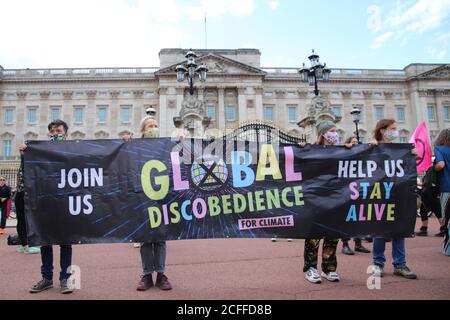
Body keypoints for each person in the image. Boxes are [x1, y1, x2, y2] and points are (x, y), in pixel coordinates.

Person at [123, 116, 180, 291]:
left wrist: (181, 144)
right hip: (142, 196)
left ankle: (161, 274)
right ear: (143, 130)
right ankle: (147, 274)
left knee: (161, 237)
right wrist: (125, 143)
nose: (153, 128)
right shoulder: (135, 145)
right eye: (150, 126)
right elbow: (123, 163)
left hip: (162, 196)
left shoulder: (165, 146)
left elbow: (179, 161)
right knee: (145, 237)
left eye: (155, 125)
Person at [21, 120, 74, 294]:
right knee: (45, 241)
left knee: (65, 243)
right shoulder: (41, 152)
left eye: (58, 130)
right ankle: (47, 278)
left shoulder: (75, 150)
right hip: (46, 202)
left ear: (66, 134)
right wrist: (24, 157)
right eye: (51, 131)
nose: (54, 133)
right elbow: (30, 175)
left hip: (66, 203)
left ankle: (65, 279)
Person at [300, 120, 353, 284]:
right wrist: (298, 150)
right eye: (332, 131)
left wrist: (359, 147)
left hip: (336, 198)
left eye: (336, 131)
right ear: (323, 134)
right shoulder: (311, 151)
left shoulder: (341, 151)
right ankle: (310, 268)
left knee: (333, 234)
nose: (335, 134)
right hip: (315, 199)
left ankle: (329, 269)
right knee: (314, 235)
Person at [369, 119, 417, 279]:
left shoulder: (400, 150)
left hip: (398, 193)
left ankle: (400, 264)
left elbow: (411, 166)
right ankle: (378, 263)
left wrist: (413, 156)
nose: (396, 131)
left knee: (399, 229)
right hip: (380, 193)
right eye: (392, 128)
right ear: (382, 130)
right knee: (379, 230)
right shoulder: (374, 146)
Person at [341, 137, 371, 255]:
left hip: (359, 190)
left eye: (357, 143)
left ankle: (358, 243)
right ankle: (345, 244)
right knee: (346, 219)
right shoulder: (343, 154)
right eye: (353, 142)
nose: (355, 145)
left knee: (359, 217)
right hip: (346, 191)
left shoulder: (362, 157)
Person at [14, 148, 40, 254]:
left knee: (22, 220)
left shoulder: (25, 167)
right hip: (23, 195)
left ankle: (23, 244)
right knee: (24, 220)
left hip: (22, 195)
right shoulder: (27, 167)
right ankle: (26, 245)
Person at [433, 128, 450, 256]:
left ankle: (448, 248)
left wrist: (433, 168)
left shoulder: (440, 149)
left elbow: (441, 165)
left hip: (446, 187)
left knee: (447, 218)